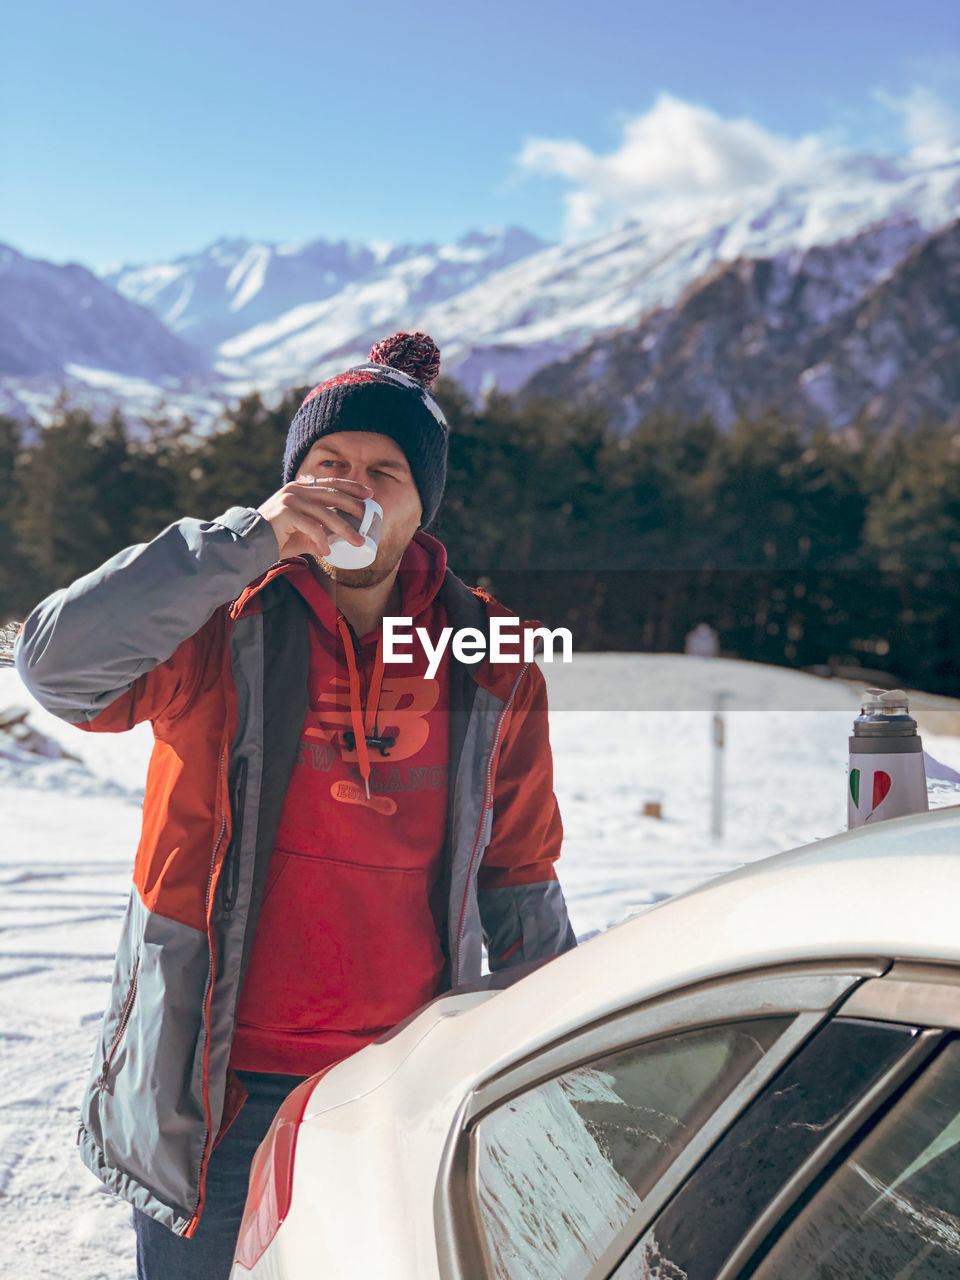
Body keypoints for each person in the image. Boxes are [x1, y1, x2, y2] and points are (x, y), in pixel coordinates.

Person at [14, 330, 577, 1278]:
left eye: (383, 469)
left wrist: (563, 1062)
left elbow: (519, 871)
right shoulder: (216, 616)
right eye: (328, 463)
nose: (353, 485)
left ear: (420, 501)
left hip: (392, 1086)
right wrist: (247, 541)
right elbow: (56, 667)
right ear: (289, 482)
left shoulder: (490, 652)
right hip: (211, 1085)